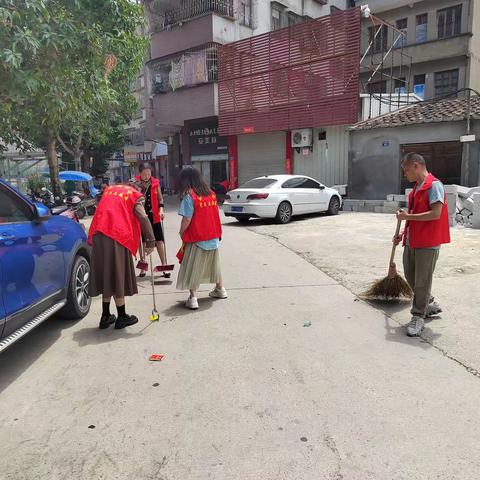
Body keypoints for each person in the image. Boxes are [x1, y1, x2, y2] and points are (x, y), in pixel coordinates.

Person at [393, 152, 450, 337]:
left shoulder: (434, 186)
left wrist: (406, 216)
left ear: (416, 165)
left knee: (422, 281)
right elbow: (415, 215)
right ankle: (429, 302)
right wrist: (403, 233)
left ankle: (418, 316)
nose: (405, 174)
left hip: (428, 242)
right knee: (411, 276)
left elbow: (435, 214)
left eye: (406, 170)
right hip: (412, 240)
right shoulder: (417, 187)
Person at [88, 183, 155, 329]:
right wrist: (150, 240)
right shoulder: (135, 196)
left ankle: (105, 316)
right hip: (116, 235)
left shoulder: (110, 190)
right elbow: (143, 216)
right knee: (117, 275)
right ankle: (122, 316)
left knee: (107, 275)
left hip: (98, 233)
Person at [176, 166, 227, 309]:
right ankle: (220, 289)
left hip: (197, 237)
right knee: (214, 264)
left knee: (192, 267)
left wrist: (181, 232)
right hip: (213, 235)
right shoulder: (211, 194)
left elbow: (187, 219)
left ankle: (193, 298)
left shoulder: (190, 196)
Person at [135, 163, 170, 278]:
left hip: (154, 216)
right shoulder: (135, 184)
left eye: (149, 173)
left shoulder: (155, 183)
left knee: (159, 241)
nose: (146, 176)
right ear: (140, 174)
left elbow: (160, 199)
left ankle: (164, 266)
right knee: (142, 242)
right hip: (141, 217)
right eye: (144, 174)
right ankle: (143, 267)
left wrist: (161, 210)